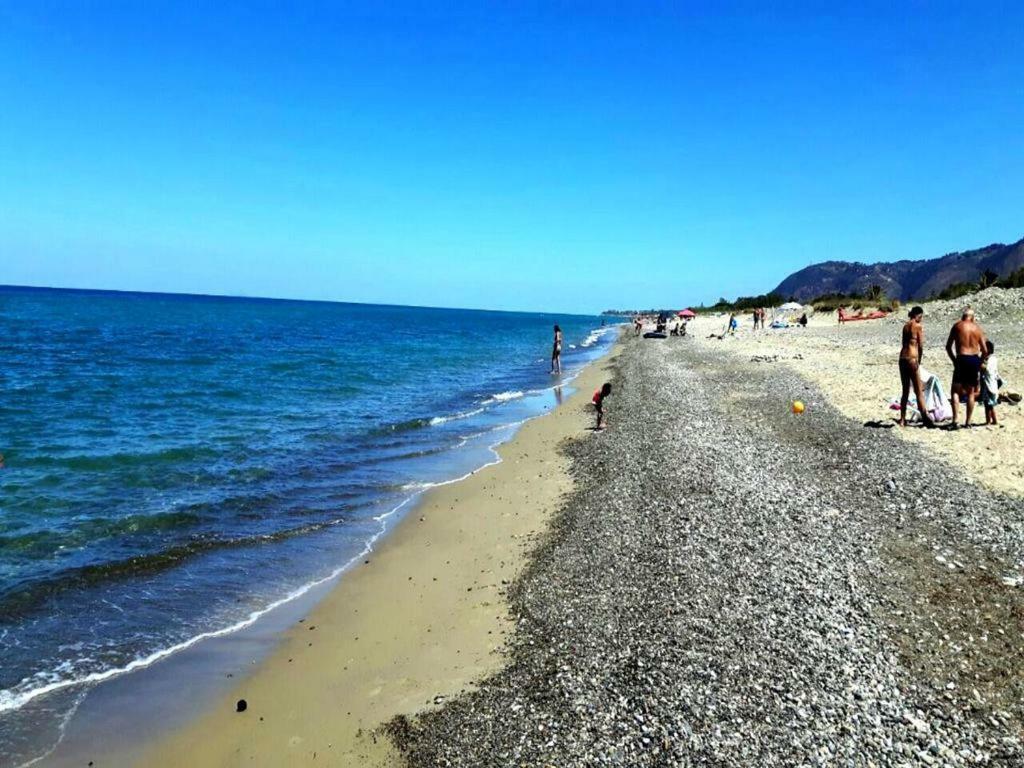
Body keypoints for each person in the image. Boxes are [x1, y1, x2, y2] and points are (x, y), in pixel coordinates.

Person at [945, 306, 988, 429]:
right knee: (970, 392)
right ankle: (968, 422)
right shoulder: (977, 328)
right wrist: (979, 362)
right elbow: (985, 351)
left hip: (961, 358)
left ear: (963, 317)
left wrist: (954, 360)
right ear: (973, 318)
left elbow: (948, 347)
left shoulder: (957, 326)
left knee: (955, 391)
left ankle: (955, 420)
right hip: (973, 359)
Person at [898, 306, 934, 428]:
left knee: (905, 390)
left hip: (902, 358)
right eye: (921, 316)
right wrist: (919, 360)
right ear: (918, 315)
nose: (922, 319)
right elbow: (921, 345)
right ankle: (925, 418)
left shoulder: (905, 326)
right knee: (918, 390)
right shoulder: (917, 326)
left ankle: (902, 419)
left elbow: (904, 343)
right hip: (912, 358)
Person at [981, 340, 1000, 426]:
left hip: (989, 384)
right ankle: (993, 420)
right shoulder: (989, 358)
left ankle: (989, 421)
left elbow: (987, 369)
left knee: (988, 404)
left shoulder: (991, 359)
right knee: (989, 404)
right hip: (987, 384)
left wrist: (980, 363)